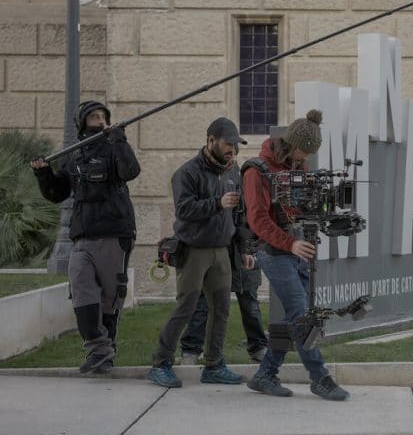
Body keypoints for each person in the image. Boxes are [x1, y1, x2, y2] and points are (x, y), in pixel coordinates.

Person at [242, 109, 350, 400]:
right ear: (290, 143)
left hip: (297, 248)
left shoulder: (296, 166)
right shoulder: (257, 171)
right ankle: (320, 377)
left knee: (296, 315)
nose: (305, 160)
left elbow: (298, 209)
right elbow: (257, 220)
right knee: (303, 316)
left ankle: (265, 374)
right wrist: (289, 243)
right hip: (273, 251)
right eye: (303, 152)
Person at [31, 100, 140, 375]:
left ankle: (102, 354)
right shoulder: (73, 155)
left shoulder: (114, 145)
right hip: (82, 237)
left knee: (109, 299)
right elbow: (57, 193)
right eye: (93, 115)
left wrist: (120, 140)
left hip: (115, 233)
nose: (100, 119)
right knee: (81, 290)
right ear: (82, 121)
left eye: (103, 115)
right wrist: (43, 173)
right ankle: (99, 348)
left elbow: (131, 172)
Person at [147, 117, 254, 388]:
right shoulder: (187, 173)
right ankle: (160, 363)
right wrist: (217, 204)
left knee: (221, 310)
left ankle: (214, 365)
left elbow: (240, 215)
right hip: (194, 250)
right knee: (186, 308)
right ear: (210, 140)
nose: (233, 150)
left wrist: (245, 248)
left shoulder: (233, 171)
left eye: (235, 145)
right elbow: (184, 210)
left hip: (222, 251)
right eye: (228, 144)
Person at [178, 256, 268, 365]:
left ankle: (258, 348)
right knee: (202, 306)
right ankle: (191, 350)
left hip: (247, 259)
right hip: (216, 257)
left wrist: (249, 249)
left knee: (251, 308)